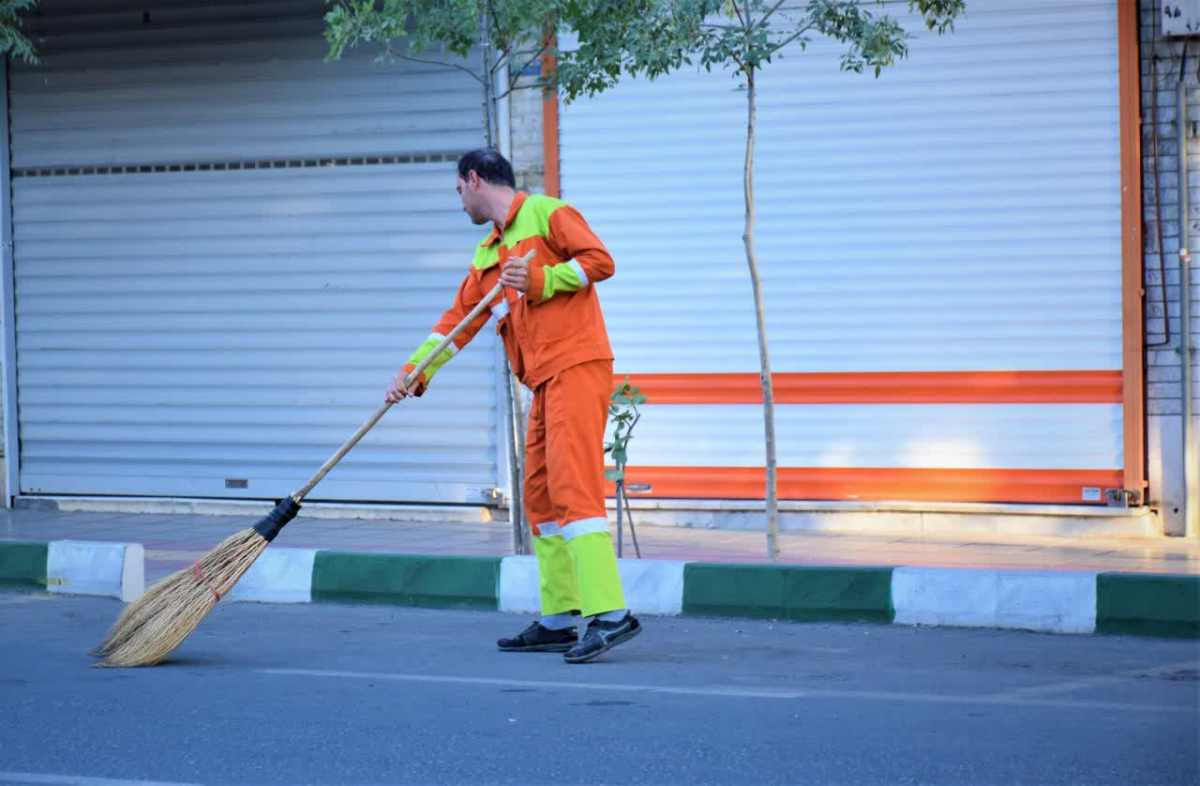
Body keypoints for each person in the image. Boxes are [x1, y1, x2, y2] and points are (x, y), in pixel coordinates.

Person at [386, 149, 641, 664]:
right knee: (540, 498)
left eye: (459, 190)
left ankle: (611, 614)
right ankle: (561, 618)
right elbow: (456, 323)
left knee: (572, 485)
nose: (460, 203)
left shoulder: (547, 213)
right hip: (544, 380)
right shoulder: (487, 254)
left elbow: (600, 262)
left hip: (577, 364)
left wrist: (544, 280)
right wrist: (415, 372)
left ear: (475, 179)